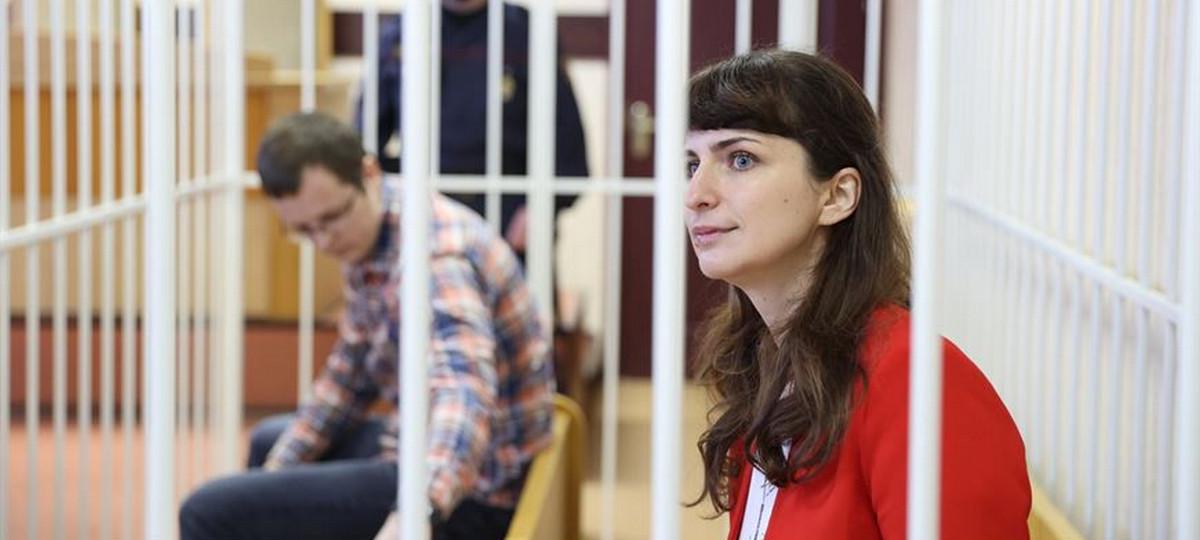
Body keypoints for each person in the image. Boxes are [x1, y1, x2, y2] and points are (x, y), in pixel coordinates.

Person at [683, 50, 1031, 539]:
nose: (696, 194)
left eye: (741, 159)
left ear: (838, 195)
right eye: (692, 164)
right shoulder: (766, 359)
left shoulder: (918, 382)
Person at [178, 112, 556, 540]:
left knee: (208, 512)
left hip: (478, 490)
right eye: (304, 230)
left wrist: (416, 513)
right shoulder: (375, 232)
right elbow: (348, 378)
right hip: (425, 442)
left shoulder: (435, 257)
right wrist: (273, 476)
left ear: (369, 173)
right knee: (270, 444)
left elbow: (463, 392)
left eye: (332, 218)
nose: (324, 241)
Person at [360, 0, 590, 256]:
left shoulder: (525, 30)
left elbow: (566, 139)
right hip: (424, 209)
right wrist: (384, 202)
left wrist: (541, 207)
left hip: (509, 210)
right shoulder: (403, 30)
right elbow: (365, 139)